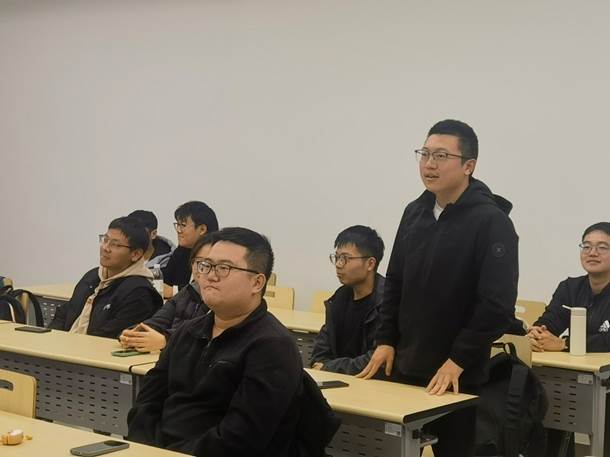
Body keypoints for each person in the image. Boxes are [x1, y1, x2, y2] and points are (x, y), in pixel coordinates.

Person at [357, 119, 519, 457]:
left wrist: (457, 360)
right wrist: (385, 340)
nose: (429, 164)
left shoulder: (492, 221)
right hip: (406, 363)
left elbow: (496, 304)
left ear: (468, 166)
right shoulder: (414, 213)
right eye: (425, 153)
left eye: (441, 156)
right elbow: (395, 281)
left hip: (458, 374)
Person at [127, 227, 303, 456]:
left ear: (257, 283)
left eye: (224, 268)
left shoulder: (273, 347)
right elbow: (147, 401)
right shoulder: (187, 331)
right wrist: (149, 448)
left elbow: (240, 438)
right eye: (206, 265)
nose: (210, 276)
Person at [528, 222, 610, 457]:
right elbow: (550, 321)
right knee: (546, 398)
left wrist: (564, 345)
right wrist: (538, 334)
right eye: (587, 246)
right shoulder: (570, 287)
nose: (592, 252)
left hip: (605, 379)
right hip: (569, 377)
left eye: (602, 247)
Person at [48, 216, 163, 338]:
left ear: (135, 254)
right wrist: (52, 338)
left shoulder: (139, 293)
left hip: (92, 348)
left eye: (115, 244)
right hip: (66, 344)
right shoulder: (93, 276)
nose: (105, 248)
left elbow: (109, 336)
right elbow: (65, 313)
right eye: (105, 240)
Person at [119, 233, 216, 352]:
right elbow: (157, 321)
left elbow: (203, 337)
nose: (203, 270)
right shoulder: (187, 292)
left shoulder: (223, 299)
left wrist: (166, 341)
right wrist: (133, 334)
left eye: (210, 265)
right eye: (199, 263)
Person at [310, 225, 385, 375]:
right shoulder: (339, 299)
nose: (338, 265)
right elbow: (319, 354)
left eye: (346, 258)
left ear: (370, 263)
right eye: (337, 257)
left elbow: (377, 360)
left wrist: (328, 367)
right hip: (340, 382)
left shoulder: (387, 303)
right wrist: (324, 366)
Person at [162, 201, 218, 291]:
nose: (178, 230)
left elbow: (202, 289)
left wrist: (172, 291)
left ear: (202, 229)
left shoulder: (216, 256)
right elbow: (165, 279)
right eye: (178, 225)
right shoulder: (181, 251)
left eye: (183, 225)